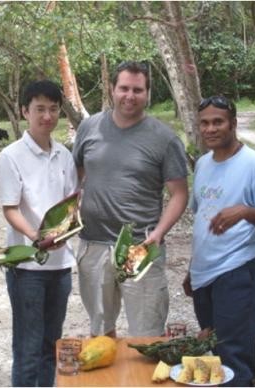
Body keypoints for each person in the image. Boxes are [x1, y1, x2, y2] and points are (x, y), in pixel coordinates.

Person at [72, 61, 189, 337]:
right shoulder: (89, 128)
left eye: (138, 90)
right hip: (94, 245)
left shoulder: (164, 138)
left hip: (140, 247)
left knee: (147, 335)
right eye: (123, 88)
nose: (130, 96)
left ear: (147, 93)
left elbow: (180, 194)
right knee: (101, 334)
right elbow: (74, 178)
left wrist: (159, 234)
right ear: (112, 89)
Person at [183, 95, 255, 386]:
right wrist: (192, 268)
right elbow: (203, 219)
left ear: (233, 123)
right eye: (204, 123)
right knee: (213, 349)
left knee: (234, 357)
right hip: (205, 274)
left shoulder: (253, 164)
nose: (210, 129)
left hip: (236, 271)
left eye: (218, 122)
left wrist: (245, 211)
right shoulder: (204, 164)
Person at [0, 80, 78, 386]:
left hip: (61, 266)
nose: (47, 116)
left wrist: (67, 232)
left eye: (53, 109)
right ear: (24, 111)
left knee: (50, 345)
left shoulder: (64, 155)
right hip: (27, 267)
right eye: (40, 109)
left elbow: (71, 204)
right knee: (28, 348)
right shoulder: (11, 156)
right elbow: (11, 208)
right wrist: (34, 235)